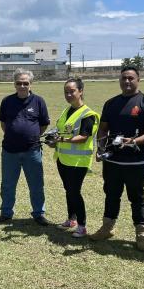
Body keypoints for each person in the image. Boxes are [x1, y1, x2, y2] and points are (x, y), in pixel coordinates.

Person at [90, 66, 144, 251]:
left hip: (136, 163)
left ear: (138, 79)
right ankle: (107, 228)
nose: (127, 81)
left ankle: (141, 234)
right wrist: (100, 148)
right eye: (124, 78)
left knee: (136, 197)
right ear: (120, 80)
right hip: (113, 162)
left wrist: (134, 141)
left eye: (131, 78)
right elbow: (104, 128)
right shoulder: (111, 103)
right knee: (111, 195)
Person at [0, 68, 50, 226]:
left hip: (32, 151)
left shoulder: (39, 101)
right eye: (19, 83)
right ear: (14, 84)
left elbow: (44, 125)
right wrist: (15, 135)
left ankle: (39, 213)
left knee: (36, 185)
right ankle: (6, 213)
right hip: (9, 151)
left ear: (31, 84)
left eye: (25, 83)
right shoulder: (7, 101)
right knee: (7, 184)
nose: (22, 86)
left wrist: (30, 136)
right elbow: (4, 124)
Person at [49, 78, 99, 237]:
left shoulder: (88, 114)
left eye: (72, 91)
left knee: (75, 192)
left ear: (81, 91)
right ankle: (71, 219)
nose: (69, 94)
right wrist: (53, 140)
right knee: (68, 190)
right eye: (66, 92)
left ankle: (82, 226)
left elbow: (84, 137)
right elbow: (61, 131)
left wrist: (61, 140)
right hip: (63, 159)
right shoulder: (67, 110)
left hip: (78, 162)